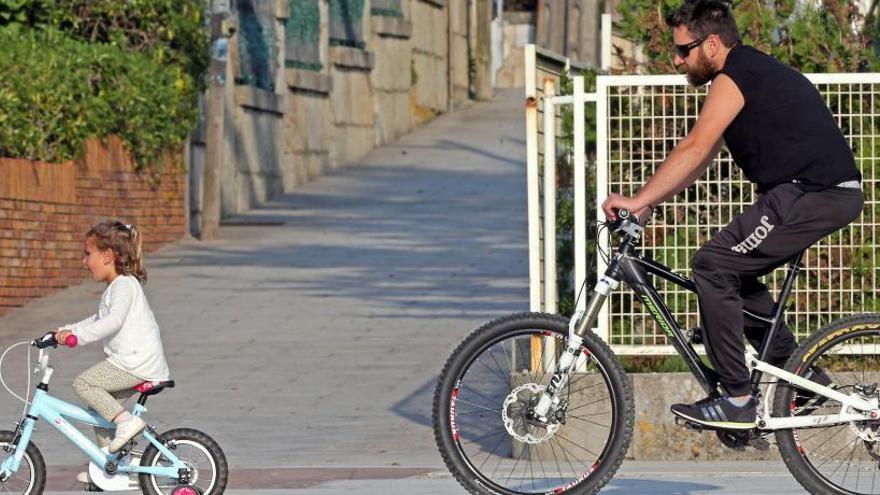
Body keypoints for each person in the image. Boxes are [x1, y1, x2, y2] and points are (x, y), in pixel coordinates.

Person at [601, 0, 864, 429]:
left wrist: (635, 199)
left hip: (812, 192)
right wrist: (647, 202)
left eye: (683, 50)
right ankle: (801, 378)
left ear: (711, 44)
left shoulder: (736, 74)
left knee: (712, 264)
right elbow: (701, 158)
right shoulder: (747, 73)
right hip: (812, 193)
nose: (676, 59)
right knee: (732, 272)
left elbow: (694, 147)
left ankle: (738, 399)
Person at [53, 220, 170, 483]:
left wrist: (76, 338)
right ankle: (110, 467)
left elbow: (111, 321)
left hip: (136, 363)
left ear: (107, 256)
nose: (84, 261)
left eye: (87, 254)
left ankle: (127, 424)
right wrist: (62, 331)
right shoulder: (115, 288)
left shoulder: (125, 286)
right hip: (130, 362)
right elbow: (97, 319)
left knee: (84, 383)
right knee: (99, 412)